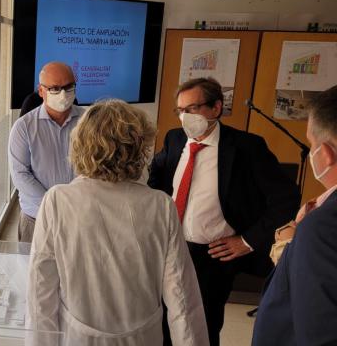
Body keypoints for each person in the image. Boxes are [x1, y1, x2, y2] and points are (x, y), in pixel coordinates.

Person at [27, 99, 208, 346]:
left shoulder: (58, 200)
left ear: (80, 145)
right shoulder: (160, 205)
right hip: (143, 337)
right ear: (138, 148)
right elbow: (182, 296)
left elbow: (41, 290)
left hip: (78, 337)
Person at [148, 77, 300, 346]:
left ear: (216, 108)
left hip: (212, 254)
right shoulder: (174, 139)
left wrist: (247, 241)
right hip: (171, 247)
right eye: (180, 110)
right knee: (163, 320)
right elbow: (155, 181)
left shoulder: (247, 147)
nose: (185, 117)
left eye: (192, 109)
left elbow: (286, 198)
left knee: (202, 326)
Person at [253, 85, 337, 345]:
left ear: (325, 153)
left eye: (311, 144)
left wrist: (299, 242)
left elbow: (320, 334)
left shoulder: (323, 226)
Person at [8, 61, 84, 251]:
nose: (63, 93)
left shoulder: (88, 121)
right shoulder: (24, 127)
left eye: (68, 87)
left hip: (78, 217)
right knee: (30, 276)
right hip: (36, 220)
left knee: (73, 276)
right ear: (41, 91)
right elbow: (20, 174)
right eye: (55, 88)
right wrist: (53, 205)